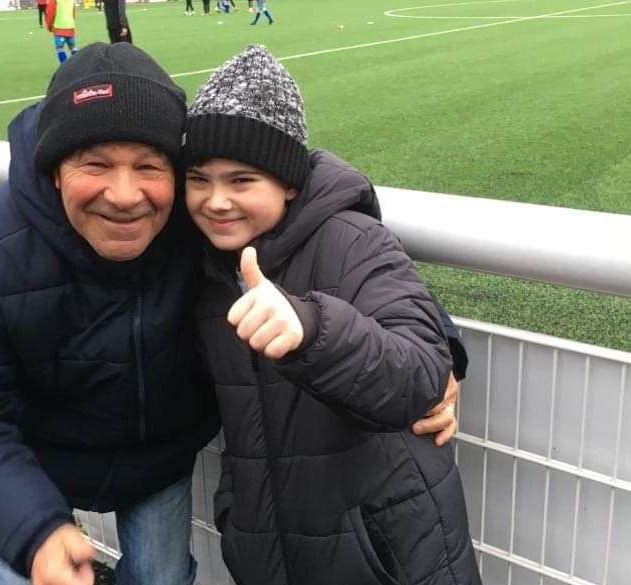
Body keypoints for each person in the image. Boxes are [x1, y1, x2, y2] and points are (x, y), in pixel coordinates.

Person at [0, 42, 220, 585]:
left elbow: (329, 249)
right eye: (95, 164)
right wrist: (33, 529)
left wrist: (425, 349)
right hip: (35, 466)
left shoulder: (204, 225)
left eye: (149, 165)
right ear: (55, 168)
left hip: (159, 458)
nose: (125, 194)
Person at [183, 44, 481, 585]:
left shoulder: (353, 240)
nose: (215, 200)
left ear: (289, 182)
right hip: (272, 552)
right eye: (198, 178)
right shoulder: (205, 267)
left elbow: (420, 369)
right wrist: (237, 511)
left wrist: (311, 329)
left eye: (241, 180)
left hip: (387, 559)